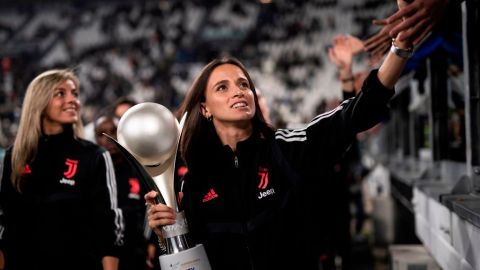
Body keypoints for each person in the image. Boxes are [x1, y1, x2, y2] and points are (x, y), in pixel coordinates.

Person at [144, 1, 415, 269]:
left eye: (243, 84)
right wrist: (165, 234)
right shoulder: (195, 180)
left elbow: (357, 113)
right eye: (222, 88)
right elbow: (191, 258)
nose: (239, 91)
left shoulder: (286, 149)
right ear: (204, 108)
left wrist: (400, 48)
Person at [0, 69, 124, 270]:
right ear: (39, 101)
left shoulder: (94, 156)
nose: (73, 100)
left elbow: (108, 229)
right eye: (61, 94)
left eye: (75, 94)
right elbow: (5, 226)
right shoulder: (15, 156)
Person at [94, 115, 151, 270]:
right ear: (95, 140)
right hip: (102, 254)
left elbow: (150, 207)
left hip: (137, 251)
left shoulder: (139, 169)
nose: (108, 137)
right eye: (102, 134)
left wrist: (150, 242)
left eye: (113, 131)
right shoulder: (92, 174)